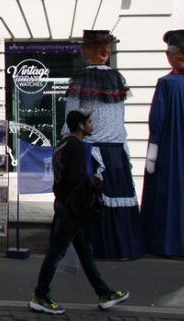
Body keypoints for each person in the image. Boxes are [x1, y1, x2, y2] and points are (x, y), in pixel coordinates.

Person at [29, 109, 129, 315]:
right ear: (81, 126)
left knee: (84, 252)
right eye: (89, 121)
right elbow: (75, 179)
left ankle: (103, 292)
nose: (92, 124)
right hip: (72, 209)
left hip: (65, 204)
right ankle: (40, 295)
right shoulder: (77, 146)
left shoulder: (63, 144)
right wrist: (94, 178)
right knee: (56, 253)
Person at [63, 29, 143, 260]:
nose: (104, 50)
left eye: (106, 46)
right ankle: (103, 246)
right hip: (92, 149)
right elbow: (73, 115)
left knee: (106, 195)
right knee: (92, 197)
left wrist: (121, 140)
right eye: (98, 46)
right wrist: (71, 141)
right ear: (86, 50)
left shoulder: (115, 78)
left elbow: (118, 115)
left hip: (112, 148)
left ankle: (118, 246)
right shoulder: (82, 79)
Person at [141, 29, 184, 258]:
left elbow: (158, 120)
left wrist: (153, 150)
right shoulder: (167, 83)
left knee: (170, 194)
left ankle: (169, 242)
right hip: (171, 149)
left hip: (171, 151)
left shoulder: (167, 84)